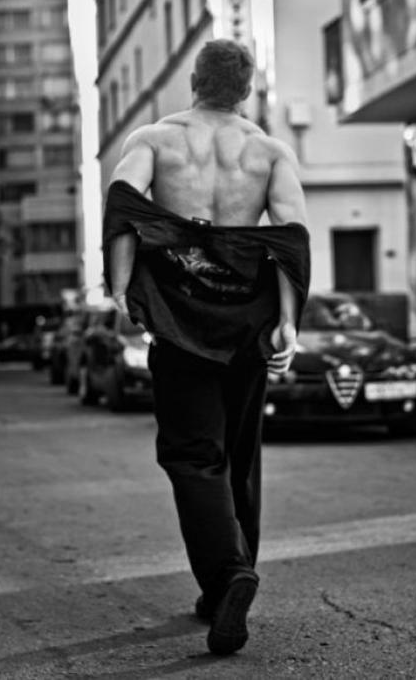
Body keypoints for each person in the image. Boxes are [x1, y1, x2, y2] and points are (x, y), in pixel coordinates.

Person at [103, 39, 310, 656]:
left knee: (194, 455)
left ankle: (226, 576)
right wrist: (289, 324)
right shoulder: (269, 151)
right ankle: (230, 577)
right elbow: (290, 239)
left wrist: (122, 290)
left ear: (193, 81)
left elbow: (123, 207)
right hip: (247, 323)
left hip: (179, 321)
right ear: (246, 90)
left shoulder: (155, 140)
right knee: (240, 456)